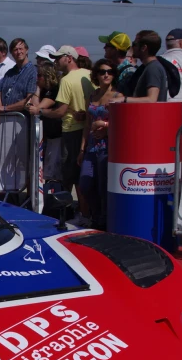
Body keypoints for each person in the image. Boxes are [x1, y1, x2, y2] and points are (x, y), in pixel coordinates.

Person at [45, 46, 93, 223]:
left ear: (69, 58)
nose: (56, 61)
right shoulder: (89, 74)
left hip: (72, 130)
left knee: (71, 175)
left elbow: (60, 111)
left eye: (59, 58)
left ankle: (81, 214)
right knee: (83, 173)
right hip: (88, 129)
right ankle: (86, 212)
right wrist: (87, 113)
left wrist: (41, 111)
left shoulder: (66, 80)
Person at [78, 58, 120, 229]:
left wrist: (105, 125)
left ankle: (104, 221)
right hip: (91, 147)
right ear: (96, 75)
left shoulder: (119, 96)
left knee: (104, 186)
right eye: (102, 72)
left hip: (108, 147)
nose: (106, 75)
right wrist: (82, 148)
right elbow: (87, 125)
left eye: (109, 72)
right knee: (85, 184)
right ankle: (96, 216)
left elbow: (122, 122)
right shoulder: (92, 95)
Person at [27, 63, 63, 182]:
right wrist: (37, 89)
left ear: (47, 76)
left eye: (40, 76)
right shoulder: (42, 90)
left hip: (56, 135)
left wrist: (36, 95)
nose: (37, 78)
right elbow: (33, 106)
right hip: (45, 135)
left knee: (52, 171)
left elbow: (37, 107)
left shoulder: (55, 89)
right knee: (43, 171)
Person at [0, 38, 37, 126]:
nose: (18, 52)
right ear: (11, 53)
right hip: (4, 122)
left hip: (22, 123)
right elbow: (1, 94)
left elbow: (29, 101)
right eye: (15, 50)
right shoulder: (9, 73)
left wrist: (4, 108)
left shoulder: (33, 72)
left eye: (21, 49)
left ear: (26, 50)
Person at [112, 30, 168, 103]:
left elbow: (151, 99)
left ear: (143, 48)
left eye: (134, 44)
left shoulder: (153, 68)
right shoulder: (149, 67)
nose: (132, 47)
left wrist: (124, 99)